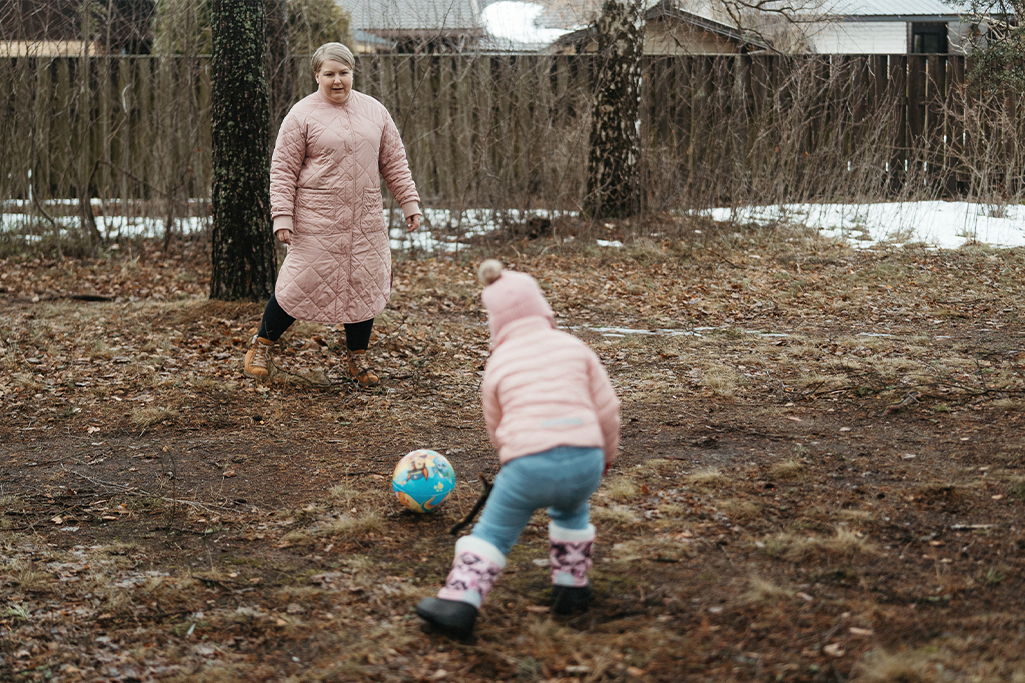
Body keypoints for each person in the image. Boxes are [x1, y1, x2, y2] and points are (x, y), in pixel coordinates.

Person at [415, 260, 620, 640]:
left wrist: (511, 453)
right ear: (543, 310)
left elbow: (497, 424)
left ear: (495, 323)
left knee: (494, 533)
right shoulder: (575, 347)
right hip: (585, 459)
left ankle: (460, 600)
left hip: (528, 465)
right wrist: (606, 456)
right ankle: (572, 586)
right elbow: (607, 409)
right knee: (572, 509)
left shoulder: (498, 363)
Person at [243, 42, 422, 387]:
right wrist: (282, 217)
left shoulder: (375, 111)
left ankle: (358, 359)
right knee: (298, 283)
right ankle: (261, 346)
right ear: (316, 75)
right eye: (329, 74)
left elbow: (394, 162)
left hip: (365, 218)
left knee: (363, 285)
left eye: (344, 73)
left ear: (352, 73)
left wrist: (408, 203)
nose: (337, 80)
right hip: (317, 219)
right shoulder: (301, 114)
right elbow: (283, 170)